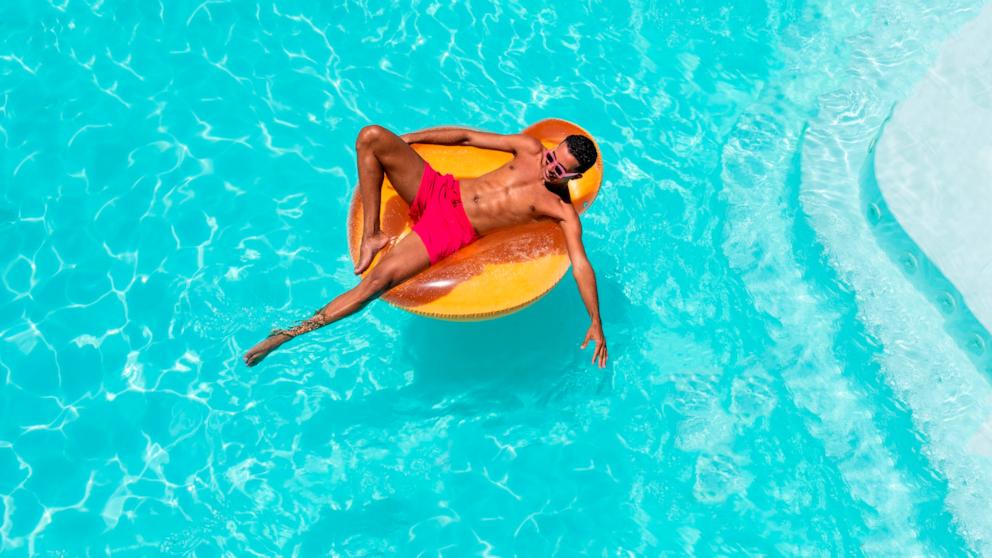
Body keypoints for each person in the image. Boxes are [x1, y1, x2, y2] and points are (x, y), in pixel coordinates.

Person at [242, 125, 608, 368]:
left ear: (573, 178)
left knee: (373, 285)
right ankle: (372, 233)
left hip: (452, 230)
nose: (549, 168)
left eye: (560, 171)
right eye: (551, 158)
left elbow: (581, 266)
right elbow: (465, 138)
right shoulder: (529, 148)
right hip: (439, 191)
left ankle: (283, 336)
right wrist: (410, 141)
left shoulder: (560, 211)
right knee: (371, 137)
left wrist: (595, 321)